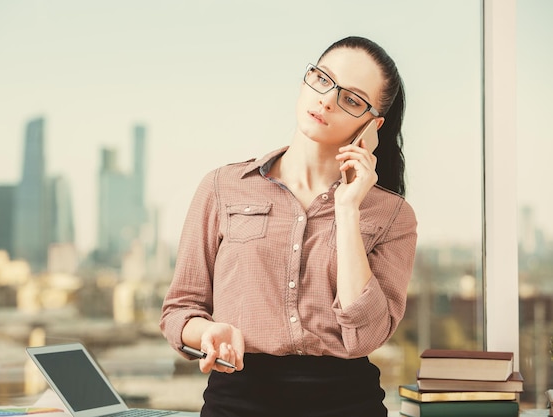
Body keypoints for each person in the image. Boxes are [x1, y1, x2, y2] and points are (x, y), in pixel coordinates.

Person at [160, 35, 417, 417]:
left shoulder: (391, 215)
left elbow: (366, 334)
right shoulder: (222, 187)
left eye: (351, 99)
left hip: (347, 405)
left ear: (372, 125)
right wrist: (207, 332)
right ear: (305, 82)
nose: (327, 99)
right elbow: (180, 310)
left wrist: (348, 210)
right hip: (237, 402)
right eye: (323, 79)